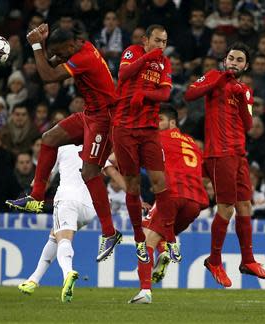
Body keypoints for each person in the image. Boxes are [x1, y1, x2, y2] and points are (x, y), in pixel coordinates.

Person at [6, 25, 121, 262]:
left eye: (62, 52)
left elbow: (48, 76)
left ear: (70, 46)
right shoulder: (78, 47)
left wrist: (37, 45)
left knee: (90, 171)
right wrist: (45, 45)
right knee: (49, 139)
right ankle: (36, 198)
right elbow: (50, 61)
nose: (60, 56)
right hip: (90, 114)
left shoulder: (85, 57)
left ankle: (110, 233)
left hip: (105, 119)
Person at [184, 43, 265, 288]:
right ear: (225, 61)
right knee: (226, 208)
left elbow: (247, 124)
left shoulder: (244, 89)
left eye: (239, 60)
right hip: (219, 153)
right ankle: (214, 260)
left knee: (245, 205)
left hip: (239, 154)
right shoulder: (214, 76)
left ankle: (247, 260)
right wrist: (222, 78)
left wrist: (242, 96)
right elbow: (190, 94)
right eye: (231, 58)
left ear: (245, 66)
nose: (234, 62)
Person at [112, 24, 177, 266]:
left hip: (149, 129)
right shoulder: (132, 52)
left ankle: (169, 237)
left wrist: (146, 95)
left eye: (165, 41)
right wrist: (148, 57)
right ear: (146, 40)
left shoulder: (165, 64)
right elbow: (124, 75)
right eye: (158, 40)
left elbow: (165, 95)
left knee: (161, 182)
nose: (162, 45)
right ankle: (139, 237)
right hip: (125, 127)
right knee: (132, 184)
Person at [129, 105, 208, 304]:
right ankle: (164, 251)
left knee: (145, 240)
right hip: (195, 202)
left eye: (160, 120)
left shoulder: (158, 139)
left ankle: (145, 291)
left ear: (173, 123)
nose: (155, 124)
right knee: (161, 232)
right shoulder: (193, 145)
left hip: (172, 196)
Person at [18, 145, 95, 302]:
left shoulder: (61, 148)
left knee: (63, 239)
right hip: (90, 207)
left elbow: (44, 178)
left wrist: (34, 190)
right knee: (55, 236)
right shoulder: (95, 146)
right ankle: (33, 280)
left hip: (67, 201)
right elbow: (111, 167)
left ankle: (68, 273)